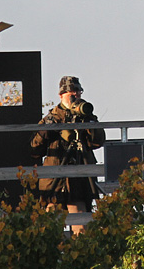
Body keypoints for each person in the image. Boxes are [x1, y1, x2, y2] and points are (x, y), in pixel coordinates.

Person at [30, 76, 105, 234]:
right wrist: (49, 129)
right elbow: (35, 149)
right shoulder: (51, 118)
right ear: (61, 95)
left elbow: (97, 142)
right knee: (49, 229)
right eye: (72, 93)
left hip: (78, 182)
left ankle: (82, 257)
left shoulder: (85, 115)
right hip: (54, 184)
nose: (76, 96)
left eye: (78, 92)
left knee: (81, 229)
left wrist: (89, 123)